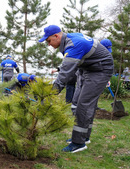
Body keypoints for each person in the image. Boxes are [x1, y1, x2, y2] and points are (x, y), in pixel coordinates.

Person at [39, 25, 114, 153]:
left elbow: (65, 73)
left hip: (100, 70)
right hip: (87, 68)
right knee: (76, 102)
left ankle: (78, 142)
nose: (49, 44)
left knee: (84, 105)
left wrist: (50, 93)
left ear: (56, 36)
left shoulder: (73, 45)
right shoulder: (69, 40)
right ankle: (84, 137)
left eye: (49, 41)